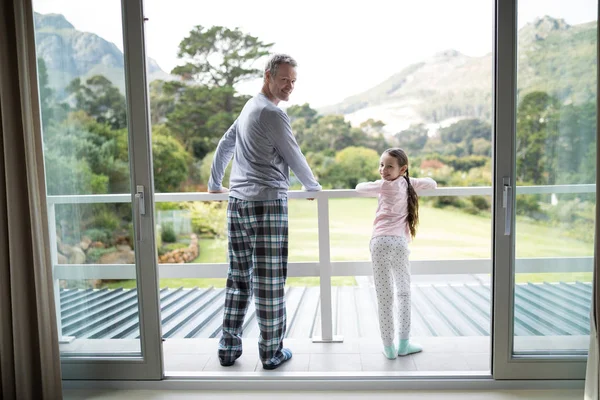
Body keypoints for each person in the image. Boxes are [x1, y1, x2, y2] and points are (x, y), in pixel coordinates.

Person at [208, 53, 322, 370]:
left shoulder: (249, 107)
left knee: (238, 280)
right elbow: (293, 154)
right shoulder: (271, 114)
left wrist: (214, 182)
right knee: (269, 282)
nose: (290, 86)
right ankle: (270, 353)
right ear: (268, 75)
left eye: (294, 81)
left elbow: (225, 143)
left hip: (237, 204)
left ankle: (227, 350)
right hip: (267, 205)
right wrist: (312, 186)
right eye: (284, 79)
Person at [355, 148, 436, 359]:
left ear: (402, 168)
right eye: (382, 165)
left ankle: (389, 348)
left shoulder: (382, 186)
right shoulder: (407, 183)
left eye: (389, 166)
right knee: (403, 292)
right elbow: (432, 183)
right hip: (399, 243)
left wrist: (380, 182)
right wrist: (409, 178)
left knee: (384, 296)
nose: (383, 170)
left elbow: (359, 188)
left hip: (380, 242)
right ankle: (403, 344)